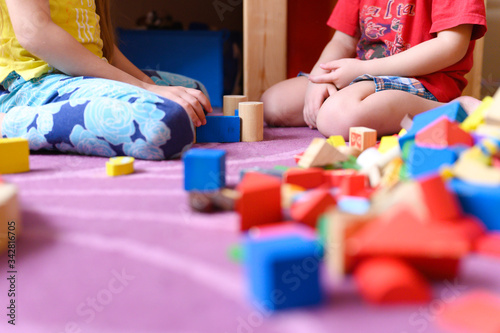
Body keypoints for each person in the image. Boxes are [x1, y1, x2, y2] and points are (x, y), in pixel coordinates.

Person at [0, 0, 212, 160]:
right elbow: (32, 31)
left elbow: (101, 47)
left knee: (193, 92)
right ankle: (8, 124)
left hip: (79, 76)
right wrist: (142, 88)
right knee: (166, 120)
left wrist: (150, 85)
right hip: (31, 85)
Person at [262, 0, 487, 139]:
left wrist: (363, 70)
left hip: (423, 81)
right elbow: (342, 42)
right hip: (362, 72)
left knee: (335, 118)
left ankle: (452, 110)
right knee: (273, 103)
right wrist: (317, 80)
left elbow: (451, 47)